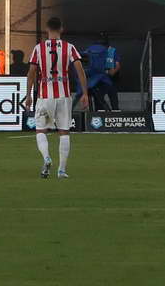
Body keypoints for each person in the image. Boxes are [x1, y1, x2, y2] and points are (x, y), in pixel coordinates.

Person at [26, 17, 87, 179]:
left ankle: (46, 158)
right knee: (64, 132)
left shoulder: (38, 48)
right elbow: (80, 70)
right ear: (61, 29)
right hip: (63, 95)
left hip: (45, 96)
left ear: (47, 29)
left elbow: (31, 73)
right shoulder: (69, 47)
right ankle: (61, 170)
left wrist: (28, 95)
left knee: (40, 130)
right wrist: (85, 93)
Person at [84, 34, 120, 113]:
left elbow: (117, 64)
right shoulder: (91, 50)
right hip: (97, 79)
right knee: (98, 99)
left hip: (110, 78)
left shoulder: (112, 50)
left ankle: (116, 113)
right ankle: (100, 114)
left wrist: (113, 70)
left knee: (113, 98)